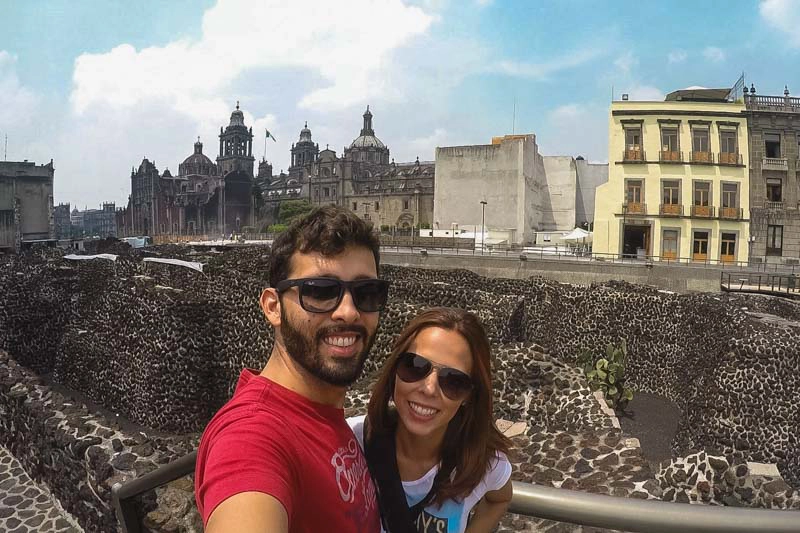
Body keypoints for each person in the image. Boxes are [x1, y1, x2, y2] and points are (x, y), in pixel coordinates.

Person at [195, 206, 388, 533]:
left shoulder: (321, 410)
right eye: (320, 291)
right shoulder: (251, 437)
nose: (348, 311)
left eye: (366, 293)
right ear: (273, 307)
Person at [349, 307, 513, 533]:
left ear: (468, 396)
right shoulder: (350, 443)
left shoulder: (480, 461)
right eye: (415, 366)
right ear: (394, 369)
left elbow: (500, 498)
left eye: (453, 381)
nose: (429, 389)